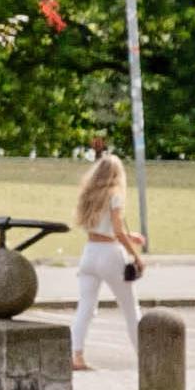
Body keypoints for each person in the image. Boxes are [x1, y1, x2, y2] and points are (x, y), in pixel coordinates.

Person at [70, 146, 150, 363]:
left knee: (85, 307)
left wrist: (128, 236)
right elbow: (116, 230)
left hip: (89, 253)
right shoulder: (115, 194)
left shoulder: (90, 195)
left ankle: (75, 354)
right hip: (110, 255)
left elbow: (102, 228)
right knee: (130, 309)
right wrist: (136, 255)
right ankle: (145, 357)